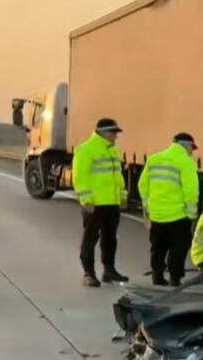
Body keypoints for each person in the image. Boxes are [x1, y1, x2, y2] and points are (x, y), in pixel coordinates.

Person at [72, 118, 129, 287]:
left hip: (111, 203)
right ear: (103, 133)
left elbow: (118, 177)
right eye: (113, 133)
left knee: (110, 238)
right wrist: (87, 200)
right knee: (90, 238)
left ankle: (109, 271)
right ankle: (88, 273)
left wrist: (122, 196)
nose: (116, 136)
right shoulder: (86, 149)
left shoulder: (113, 150)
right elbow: (80, 177)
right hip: (95, 204)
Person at [138, 132, 199, 286]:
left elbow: (142, 185)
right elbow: (191, 191)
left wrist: (148, 206)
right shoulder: (186, 162)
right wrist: (192, 213)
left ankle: (157, 277)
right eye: (192, 148)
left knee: (158, 247)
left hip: (157, 215)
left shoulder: (154, 159)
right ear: (186, 146)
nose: (192, 151)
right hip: (178, 215)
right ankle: (174, 279)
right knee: (178, 248)